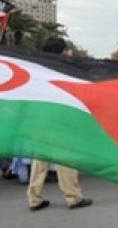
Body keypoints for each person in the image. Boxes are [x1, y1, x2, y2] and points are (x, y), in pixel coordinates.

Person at [27, 37, 93, 211]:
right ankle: (73, 197)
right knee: (66, 158)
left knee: (40, 160)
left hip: (38, 118)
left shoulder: (37, 67)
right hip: (58, 119)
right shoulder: (62, 68)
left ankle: (34, 197)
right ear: (61, 51)